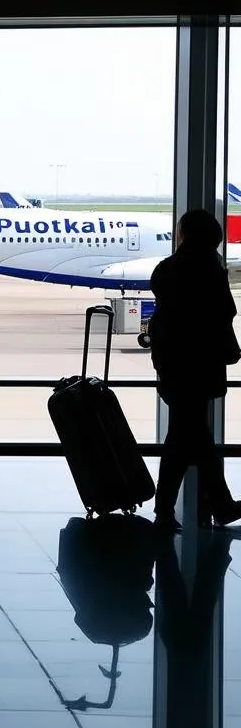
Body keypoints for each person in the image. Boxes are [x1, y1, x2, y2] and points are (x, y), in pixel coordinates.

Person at [148, 208, 241, 530]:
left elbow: (163, 319)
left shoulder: (165, 270)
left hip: (174, 366)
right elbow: (226, 311)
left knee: (186, 439)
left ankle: (175, 509)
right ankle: (214, 505)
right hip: (201, 366)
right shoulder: (210, 270)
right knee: (191, 440)